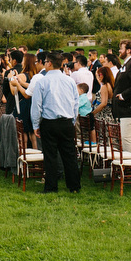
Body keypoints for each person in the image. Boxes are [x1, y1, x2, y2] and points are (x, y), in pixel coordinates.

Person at [29, 51, 81, 193]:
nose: (44, 64)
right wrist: (72, 119)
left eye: (45, 61)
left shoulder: (42, 81)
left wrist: (35, 124)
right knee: (69, 155)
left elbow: (37, 105)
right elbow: (75, 103)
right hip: (66, 121)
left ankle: (51, 187)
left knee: (50, 155)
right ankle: (74, 186)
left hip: (49, 122)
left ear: (49, 63)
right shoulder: (69, 81)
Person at [112, 40, 131, 157]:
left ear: (128, 51)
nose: (119, 50)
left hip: (127, 108)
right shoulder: (126, 64)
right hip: (123, 109)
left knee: (126, 139)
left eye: (121, 48)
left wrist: (123, 95)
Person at [10, 53, 39, 150]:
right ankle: (36, 157)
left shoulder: (22, 75)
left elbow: (14, 92)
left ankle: (24, 155)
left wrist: (11, 80)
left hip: (24, 105)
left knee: (23, 132)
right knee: (33, 133)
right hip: (34, 104)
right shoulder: (36, 75)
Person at [2, 49, 24, 116]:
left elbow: (5, 89)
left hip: (12, 101)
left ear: (14, 61)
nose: (9, 61)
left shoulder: (9, 72)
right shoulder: (25, 71)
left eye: (10, 59)